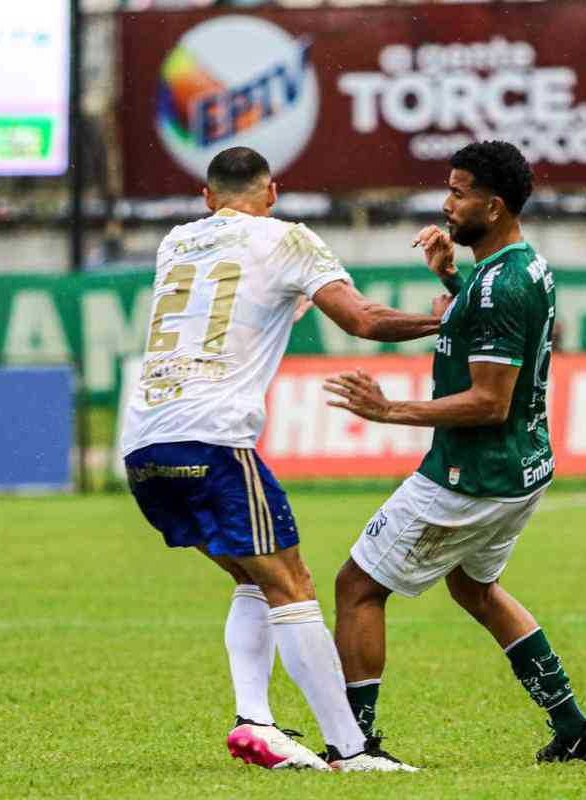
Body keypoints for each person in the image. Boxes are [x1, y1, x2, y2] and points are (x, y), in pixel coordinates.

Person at [119, 146, 433, 772]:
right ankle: (350, 749)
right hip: (212, 438)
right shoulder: (289, 239)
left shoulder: (176, 242)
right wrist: (439, 322)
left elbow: (229, 299)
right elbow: (364, 320)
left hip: (144, 445)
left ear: (207, 198)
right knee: (293, 584)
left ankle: (255, 723)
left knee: (253, 580)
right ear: (274, 193)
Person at [324, 141, 586, 765]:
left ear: (495, 205)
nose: (446, 205)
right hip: (522, 467)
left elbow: (489, 402)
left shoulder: (501, 285)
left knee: (357, 588)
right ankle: (575, 729)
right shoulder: (520, 266)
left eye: (459, 193)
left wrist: (389, 409)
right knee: (474, 590)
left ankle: (354, 745)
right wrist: (450, 277)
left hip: (470, 476)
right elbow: (483, 320)